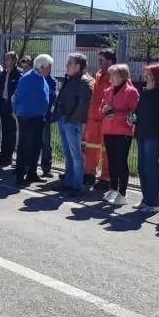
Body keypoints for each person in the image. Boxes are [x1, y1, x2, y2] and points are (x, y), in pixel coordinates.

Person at [53, 53, 92, 196]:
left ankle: (77, 185)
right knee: (67, 153)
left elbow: (83, 105)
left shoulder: (84, 82)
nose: (66, 65)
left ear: (77, 66)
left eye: (69, 63)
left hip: (72, 122)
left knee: (75, 155)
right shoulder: (69, 79)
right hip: (64, 120)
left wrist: (71, 119)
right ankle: (68, 182)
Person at [101, 63, 139, 207]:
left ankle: (122, 193)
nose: (110, 77)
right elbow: (102, 106)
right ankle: (113, 188)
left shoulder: (131, 91)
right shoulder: (108, 91)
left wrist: (115, 115)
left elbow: (133, 113)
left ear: (122, 76)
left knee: (121, 162)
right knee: (111, 161)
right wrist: (104, 110)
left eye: (113, 75)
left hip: (123, 132)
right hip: (109, 130)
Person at [135, 64, 159, 213]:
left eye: (149, 75)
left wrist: (149, 93)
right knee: (142, 167)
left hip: (154, 135)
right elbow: (140, 110)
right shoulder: (145, 92)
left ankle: (154, 202)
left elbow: (156, 114)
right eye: (145, 75)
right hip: (142, 133)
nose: (146, 78)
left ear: (156, 76)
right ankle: (146, 199)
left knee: (151, 167)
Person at [12, 55, 52, 186]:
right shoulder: (27, 77)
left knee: (36, 145)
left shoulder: (42, 78)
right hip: (26, 116)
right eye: (49, 67)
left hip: (38, 117)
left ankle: (32, 173)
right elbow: (17, 96)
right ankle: (20, 173)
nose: (50, 69)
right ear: (42, 67)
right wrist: (15, 110)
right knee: (24, 145)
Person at [82, 49, 116, 189]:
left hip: (106, 119)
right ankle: (89, 173)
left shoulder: (116, 76)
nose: (99, 63)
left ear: (110, 61)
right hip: (93, 118)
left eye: (101, 60)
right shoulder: (99, 74)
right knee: (91, 147)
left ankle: (106, 178)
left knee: (107, 150)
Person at [0, 51, 21, 166]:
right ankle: (3, 155)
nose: (6, 61)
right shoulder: (3, 74)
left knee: (11, 132)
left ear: (14, 61)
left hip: (12, 106)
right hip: (3, 104)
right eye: (5, 59)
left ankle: (8, 157)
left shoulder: (18, 74)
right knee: (4, 131)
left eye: (8, 59)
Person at [40, 70, 57, 178]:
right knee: (32, 142)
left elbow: (53, 98)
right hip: (34, 115)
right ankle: (28, 167)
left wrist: (50, 113)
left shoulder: (52, 81)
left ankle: (46, 168)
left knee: (46, 143)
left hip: (45, 117)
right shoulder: (36, 79)